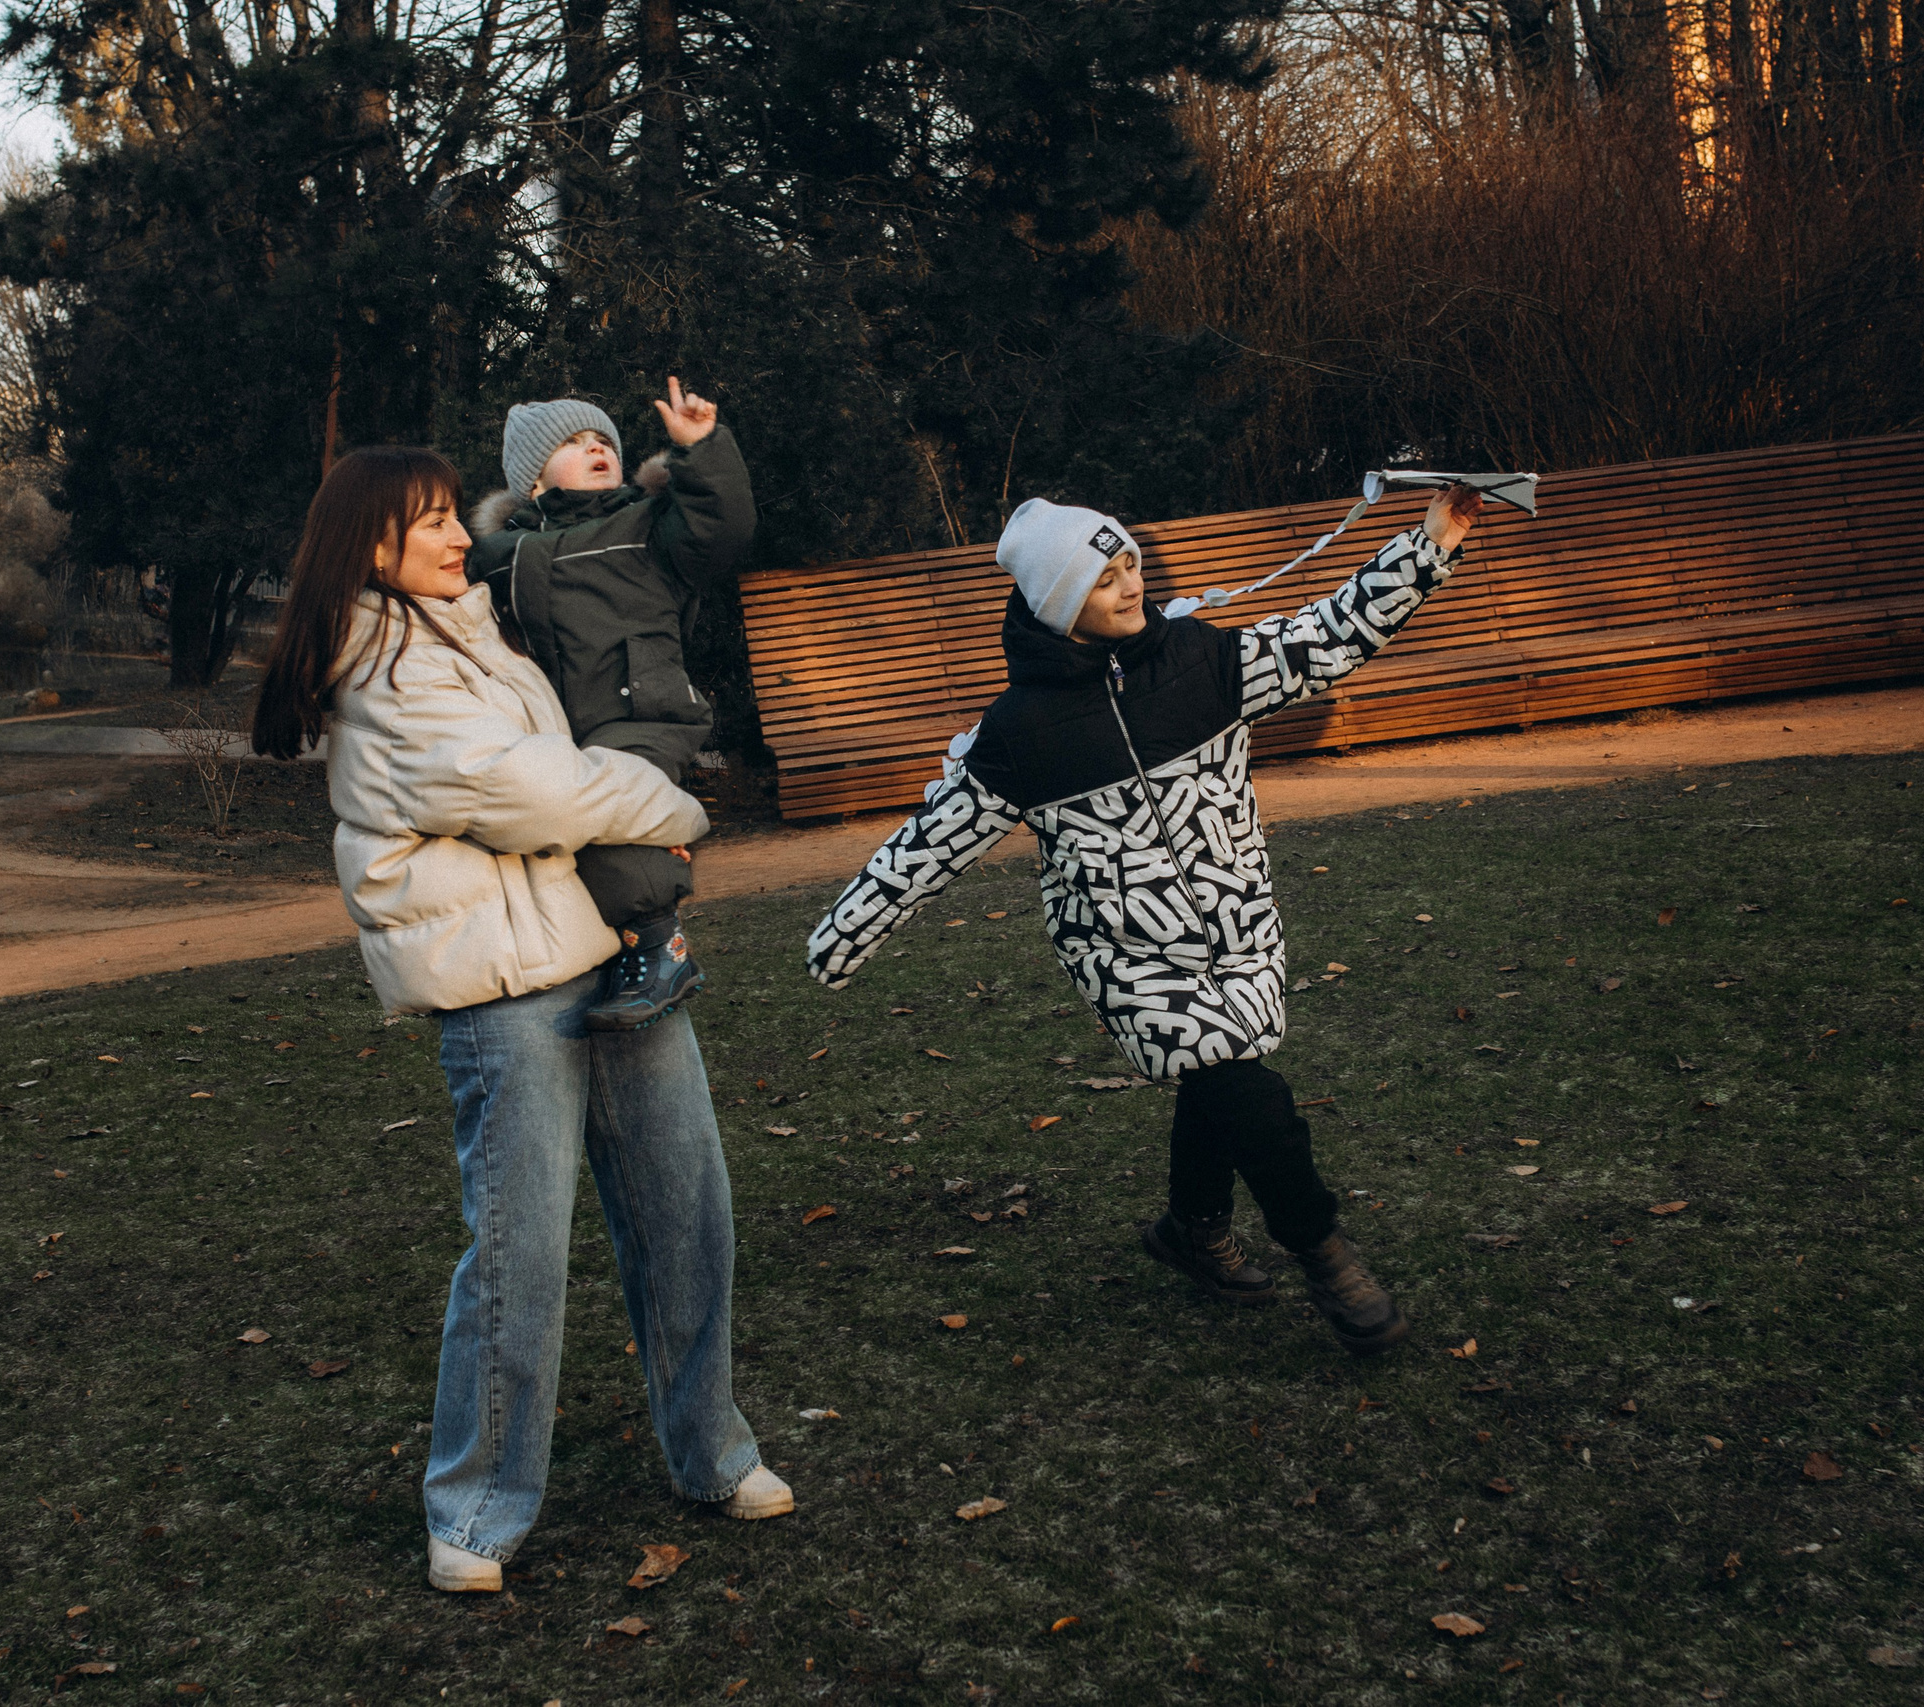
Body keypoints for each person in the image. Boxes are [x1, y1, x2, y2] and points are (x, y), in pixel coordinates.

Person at [253, 446, 791, 1595]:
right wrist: (670, 802)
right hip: (503, 988)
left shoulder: (472, 632)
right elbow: (519, 791)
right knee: (518, 1257)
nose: (459, 538)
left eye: (455, 516)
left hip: (598, 949)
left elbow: (563, 755)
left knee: (687, 1215)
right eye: (433, 523)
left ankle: (710, 1452)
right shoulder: (378, 662)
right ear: (371, 547)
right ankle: (479, 1510)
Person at [804, 485, 1486, 1357]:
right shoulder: (1019, 733)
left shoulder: (1202, 659)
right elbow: (931, 844)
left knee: (1219, 1076)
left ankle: (1191, 1229)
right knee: (1251, 1094)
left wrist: (1431, 542)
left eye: (1131, 563)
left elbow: (1331, 633)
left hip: (1238, 926)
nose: (1131, 585)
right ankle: (1326, 1254)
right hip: (1125, 954)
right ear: (1059, 604)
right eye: (1104, 578)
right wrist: (839, 939)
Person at [466, 379, 754, 1030]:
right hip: (555, 726)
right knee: (564, 825)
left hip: (644, 710)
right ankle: (624, 951)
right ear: (533, 476)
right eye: (575, 442)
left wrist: (701, 447)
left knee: (612, 810)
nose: (597, 449)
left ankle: (661, 945)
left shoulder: (651, 527)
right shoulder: (501, 555)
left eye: (605, 441)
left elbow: (723, 527)